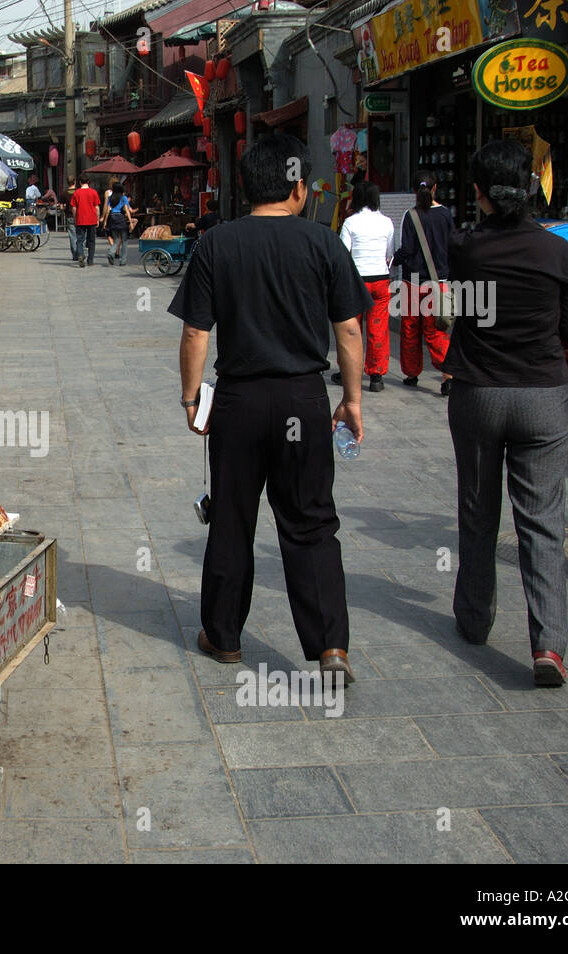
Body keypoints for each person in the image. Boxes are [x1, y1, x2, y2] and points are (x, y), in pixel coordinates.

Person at [170, 132, 371, 686]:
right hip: (303, 400)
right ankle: (330, 645)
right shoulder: (324, 245)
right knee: (310, 522)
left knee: (232, 519)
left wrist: (191, 399)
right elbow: (349, 330)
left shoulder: (217, 243)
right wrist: (351, 400)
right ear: (298, 187)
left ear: (248, 186)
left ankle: (224, 636)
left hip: (238, 401)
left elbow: (195, 333)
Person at [445, 139, 568, 687]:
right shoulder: (557, 253)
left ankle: (476, 619)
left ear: (479, 192)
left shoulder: (468, 248)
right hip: (545, 397)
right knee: (543, 522)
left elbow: (463, 306)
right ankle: (548, 645)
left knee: (479, 511)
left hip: (480, 394)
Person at [393, 170, 455, 394]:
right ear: (435, 187)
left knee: (410, 329)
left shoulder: (411, 215)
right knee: (437, 330)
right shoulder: (446, 214)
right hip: (439, 282)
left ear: (413, 190)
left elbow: (407, 249)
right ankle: (448, 375)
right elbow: (452, 246)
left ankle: (411, 373)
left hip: (413, 281)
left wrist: (392, 261)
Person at [336, 181, 396, 392]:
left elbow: (344, 254)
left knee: (352, 330)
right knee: (378, 327)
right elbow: (390, 253)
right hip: (380, 278)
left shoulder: (350, 223)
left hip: (356, 279)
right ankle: (376, 376)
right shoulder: (387, 222)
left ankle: (348, 371)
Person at [70, 173, 101, 267]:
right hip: (92, 219)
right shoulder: (94, 192)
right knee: (91, 240)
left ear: (79, 182)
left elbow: (74, 208)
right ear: (88, 182)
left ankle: (80, 254)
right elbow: (97, 207)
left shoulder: (76, 193)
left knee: (80, 240)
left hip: (80, 219)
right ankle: (90, 260)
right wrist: (98, 219)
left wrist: (75, 218)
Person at [105, 189, 136, 265]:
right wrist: (130, 221)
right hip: (121, 219)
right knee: (124, 240)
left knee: (116, 240)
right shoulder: (123, 198)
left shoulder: (110, 198)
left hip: (112, 218)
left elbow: (108, 210)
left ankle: (111, 252)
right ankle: (123, 261)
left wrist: (105, 221)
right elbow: (127, 209)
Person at [64, 182, 79, 261]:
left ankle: (75, 254)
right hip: (79, 216)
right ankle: (80, 252)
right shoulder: (78, 191)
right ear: (75, 182)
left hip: (69, 216)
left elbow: (61, 205)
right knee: (80, 235)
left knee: (72, 236)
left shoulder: (64, 193)